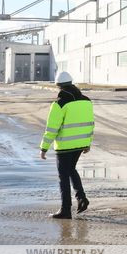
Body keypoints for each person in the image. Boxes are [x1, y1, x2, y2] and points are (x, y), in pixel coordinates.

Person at [39, 71, 94, 219]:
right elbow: (90, 123)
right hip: (80, 144)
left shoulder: (59, 104)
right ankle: (81, 198)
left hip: (64, 146)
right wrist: (87, 143)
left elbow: (52, 128)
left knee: (63, 177)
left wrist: (44, 148)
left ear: (58, 86)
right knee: (71, 170)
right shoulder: (86, 101)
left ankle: (65, 210)